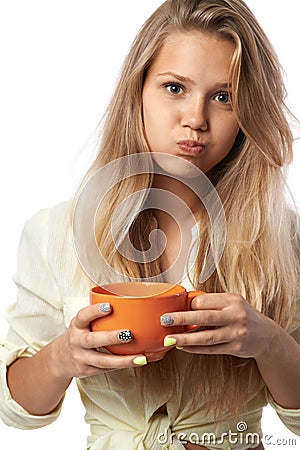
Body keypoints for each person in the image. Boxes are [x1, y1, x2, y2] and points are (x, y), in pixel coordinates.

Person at [0, 0, 299, 449]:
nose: (195, 120)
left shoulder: (281, 236)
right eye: (175, 88)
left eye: (224, 97)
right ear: (137, 90)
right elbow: (17, 413)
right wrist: (65, 356)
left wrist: (269, 343)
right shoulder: (57, 231)